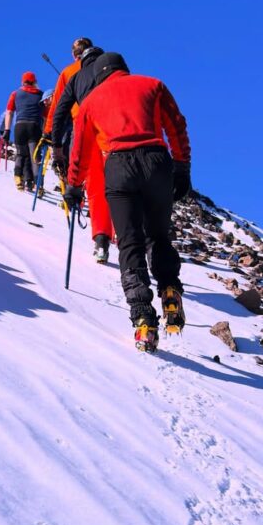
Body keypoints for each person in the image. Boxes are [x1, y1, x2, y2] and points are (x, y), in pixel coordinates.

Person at [63, 56, 191, 353]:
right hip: (157, 162)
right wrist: (183, 167)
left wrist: (73, 186)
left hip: (118, 168)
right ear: (124, 68)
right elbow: (177, 126)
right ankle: (170, 288)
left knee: (130, 242)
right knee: (158, 235)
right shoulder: (153, 85)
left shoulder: (91, 101)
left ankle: (143, 318)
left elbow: (80, 148)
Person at [51, 45, 119, 263]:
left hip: (85, 132)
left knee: (96, 188)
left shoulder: (74, 76)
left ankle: (101, 242)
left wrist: (56, 146)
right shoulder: (113, 73)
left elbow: (59, 111)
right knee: (123, 186)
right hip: (115, 132)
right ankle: (134, 240)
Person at [3, 72, 43, 192]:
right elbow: (45, 116)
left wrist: (7, 130)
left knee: (21, 153)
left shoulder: (15, 94)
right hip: (35, 127)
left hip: (20, 126)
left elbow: (9, 112)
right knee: (34, 156)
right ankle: (38, 184)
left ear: (23, 81)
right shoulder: (40, 95)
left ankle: (19, 178)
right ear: (34, 81)